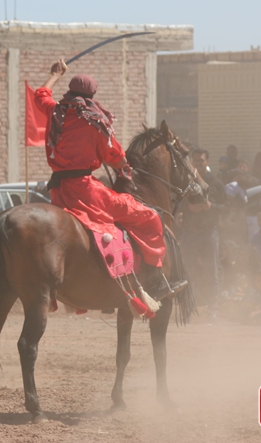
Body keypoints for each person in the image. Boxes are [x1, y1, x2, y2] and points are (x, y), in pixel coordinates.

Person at [33, 59, 170, 305]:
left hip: (57, 191)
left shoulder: (55, 111)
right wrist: (122, 169)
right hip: (85, 191)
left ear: (70, 92)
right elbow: (115, 156)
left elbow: (40, 95)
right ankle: (155, 277)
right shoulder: (95, 122)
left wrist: (55, 74)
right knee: (149, 217)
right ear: (92, 94)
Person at [179, 147, 227, 310]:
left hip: (208, 234)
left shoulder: (216, 183)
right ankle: (187, 308)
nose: (198, 163)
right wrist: (188, 207)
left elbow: (227, 207)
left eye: (201, 160)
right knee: (188, 273)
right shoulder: (186, 180)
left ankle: (213, 310)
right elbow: (176, 203)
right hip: (189, 233)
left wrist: (210, 206)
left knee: (211, 274)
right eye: (195, 160)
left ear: (207, 162)